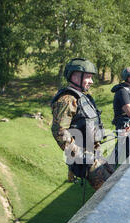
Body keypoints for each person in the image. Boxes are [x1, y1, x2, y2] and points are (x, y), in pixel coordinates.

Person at [51, 58, 114, 190]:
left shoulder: (82, 97)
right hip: (85, 161)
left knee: (116, 179)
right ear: (75, 76)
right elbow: (59, 131)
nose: (91, 81)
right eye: (88, 77)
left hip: (94, 155)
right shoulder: (67, 99)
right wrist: (80, 154)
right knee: (110, 193)